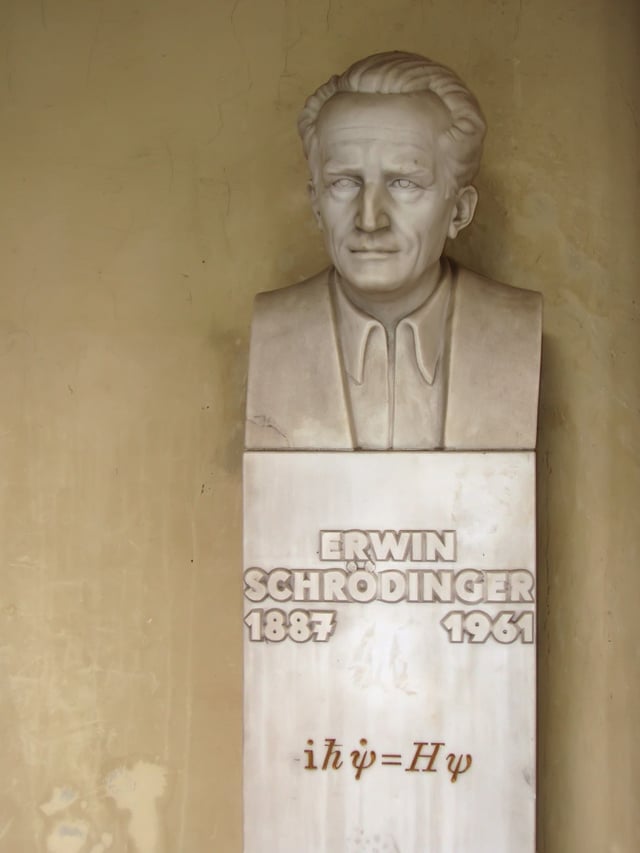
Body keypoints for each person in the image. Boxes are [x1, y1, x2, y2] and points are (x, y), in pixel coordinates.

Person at [245, 51, 542, 450]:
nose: (370, 219)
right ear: (316, 204)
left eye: (404, 184)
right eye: (344, 183)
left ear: (459, 210)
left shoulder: (513, 330)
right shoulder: (275, 332)